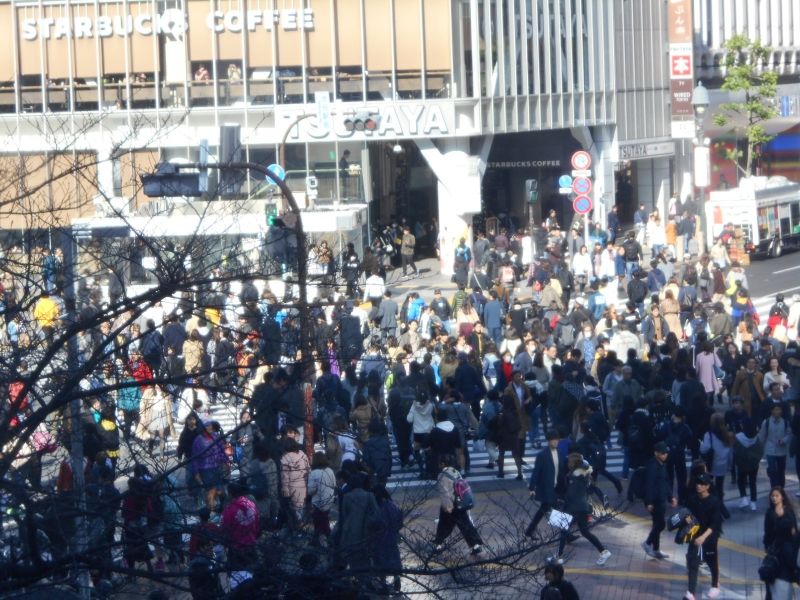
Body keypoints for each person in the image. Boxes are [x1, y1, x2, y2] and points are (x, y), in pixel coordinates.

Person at [550, 453, 612, 566]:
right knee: (584, 532)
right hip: (582, 507)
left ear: (573, 463)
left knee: (564, 531)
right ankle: (604, 551)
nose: (567, 463)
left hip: (574, 507)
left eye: (569, 462)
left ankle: (558, 556)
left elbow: (569, 492)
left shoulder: (573, 476)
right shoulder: (583, 474)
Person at [431, 454, 483, 555]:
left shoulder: (442, 475)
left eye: (439, 463)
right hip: (460, 503)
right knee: (466, 525)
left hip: (450, 504)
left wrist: (447, 507)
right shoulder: (455, 472)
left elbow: (444, 493)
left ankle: (438, 546)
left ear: (442, 464)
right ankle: (476, 545)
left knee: (443, 526)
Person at [684, 472, 724, 600]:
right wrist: (687, 519)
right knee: (692, 562)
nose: (698, 486)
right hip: (695, 535)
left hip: (710, 536)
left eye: (702, 484)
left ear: (707, 486)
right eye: (698, 483)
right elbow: (687, 513)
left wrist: (703, 537)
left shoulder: (714, 502)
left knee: (711, 561)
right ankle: (690, 592)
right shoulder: (692, 499)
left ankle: (715, 585)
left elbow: (714, 524)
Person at [525, 430, 567, 538]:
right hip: (547, 488)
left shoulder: (560, 454)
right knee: (553, 509)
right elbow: (536, 471)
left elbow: (563, 470)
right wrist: (532, 487)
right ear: (549, 441)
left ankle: (529, 531)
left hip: (556, 488)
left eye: (557, 440)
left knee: (543, 511)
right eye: (553, 440)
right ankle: (566, 535)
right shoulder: (542, 455)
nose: (556, 442)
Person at [762, 486, 798, 600]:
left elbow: (794, 531)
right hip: (774, 550)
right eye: (772, 496)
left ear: (782, 497)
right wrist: (767, 547)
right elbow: (767, 533)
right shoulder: (769, 513)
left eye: (777, 496)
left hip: (785, 552)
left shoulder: (788, 511)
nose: (774, 498)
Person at [642, 441, 676, 559]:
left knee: (657, 524)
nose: (665, 455)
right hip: (655, 501)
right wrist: (649, 502)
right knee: (660, 524)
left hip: (661, 499)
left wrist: (670, 496)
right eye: (662, 453)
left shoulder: (662, 465)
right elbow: (649, 484)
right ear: (656, 453)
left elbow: (665, 482)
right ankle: (647, 543)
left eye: (666, 453)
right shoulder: (652, 466)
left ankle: (656, 549)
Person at [307, 451, 336, 546]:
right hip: (329, 499)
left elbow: (311, 490)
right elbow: (334, 485)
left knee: (320, 521)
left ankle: (328, 540)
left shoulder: (314, 473)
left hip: (318, 502)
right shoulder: (330, 471)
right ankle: (318, 539)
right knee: (322, 520)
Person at [759, 403, 791, 489]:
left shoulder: (785, 422)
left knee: (781, 470)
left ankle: (781, 488)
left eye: (779, 409)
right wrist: (759, 449)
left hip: (781, 450)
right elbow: (762, 436)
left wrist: (784, 440)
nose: (778, 411)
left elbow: (789, 434)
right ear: (772, 411)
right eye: (776, 409)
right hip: (770, 449)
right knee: (772, 470)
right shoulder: (766, 422)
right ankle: (774, 488)